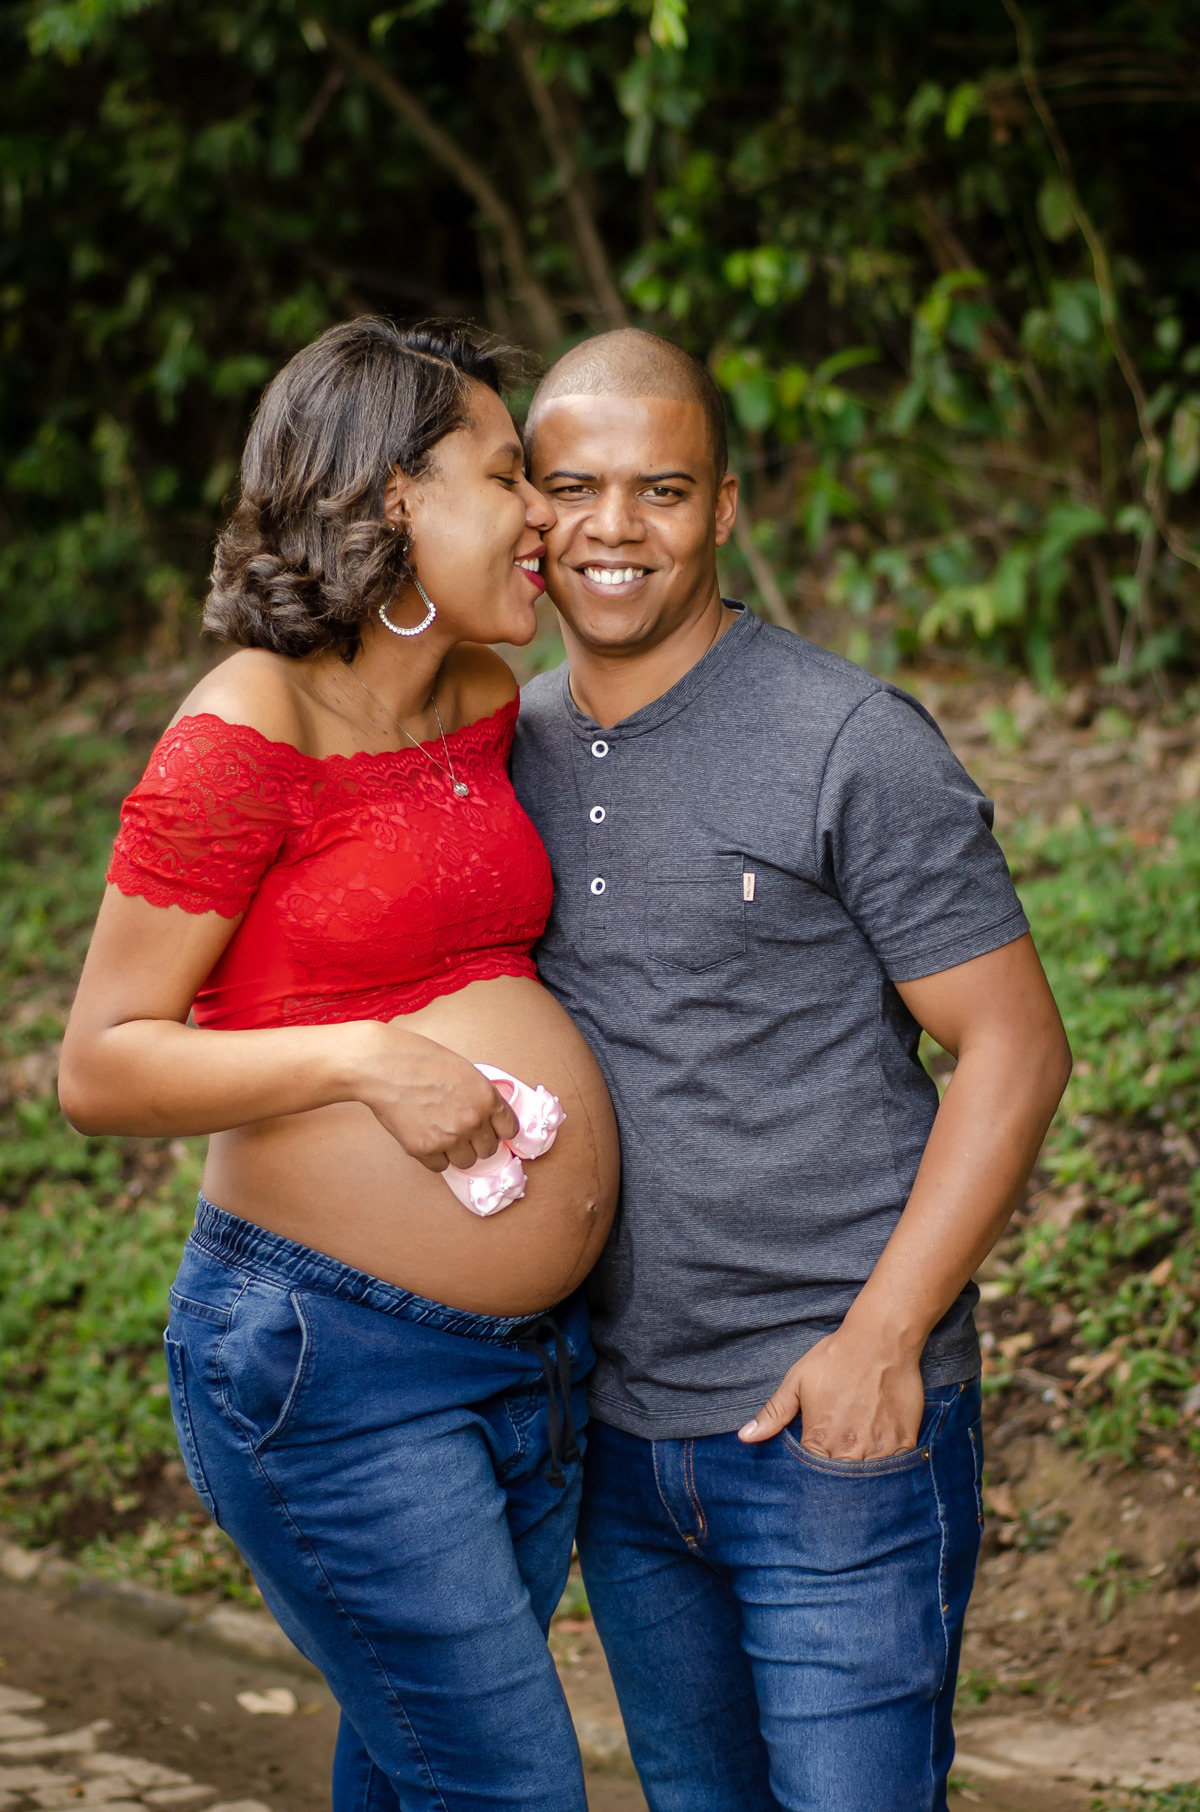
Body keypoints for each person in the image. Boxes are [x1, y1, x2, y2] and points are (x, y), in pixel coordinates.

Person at [58, 317, 620, 1812]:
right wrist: (370, 1062)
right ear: (392, 500)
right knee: (505, 1788)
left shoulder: (480, 699)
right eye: (507, 475)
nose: (542, 514)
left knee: (408, 1758)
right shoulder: (244, 728)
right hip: (332, 1361)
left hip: (530, 1365)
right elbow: (100, 1068)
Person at [511, 327, 1073, 1812]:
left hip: (836, 1432)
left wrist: (883, 1341)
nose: (615, 529)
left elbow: (1016, 1047)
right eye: (573, 487)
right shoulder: (505, 748)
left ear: (725, 508)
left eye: (662, 490)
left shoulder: (848, 740)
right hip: (618, 1433)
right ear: (526, 508)